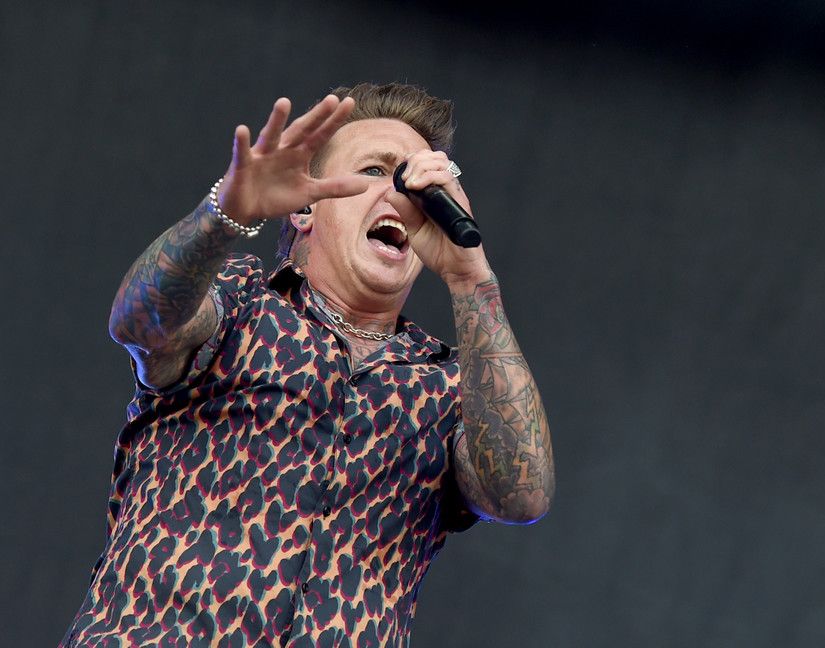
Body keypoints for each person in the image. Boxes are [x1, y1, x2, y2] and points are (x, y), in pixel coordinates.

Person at [62, 82, 555, 647]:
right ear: (304, 207)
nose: (404, 194)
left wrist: (471, 280)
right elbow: (139, 323)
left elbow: (522, 496)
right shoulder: (241, 302)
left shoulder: (448, 388)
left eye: (418, 180)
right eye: (375, 171)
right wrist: (225, 213)